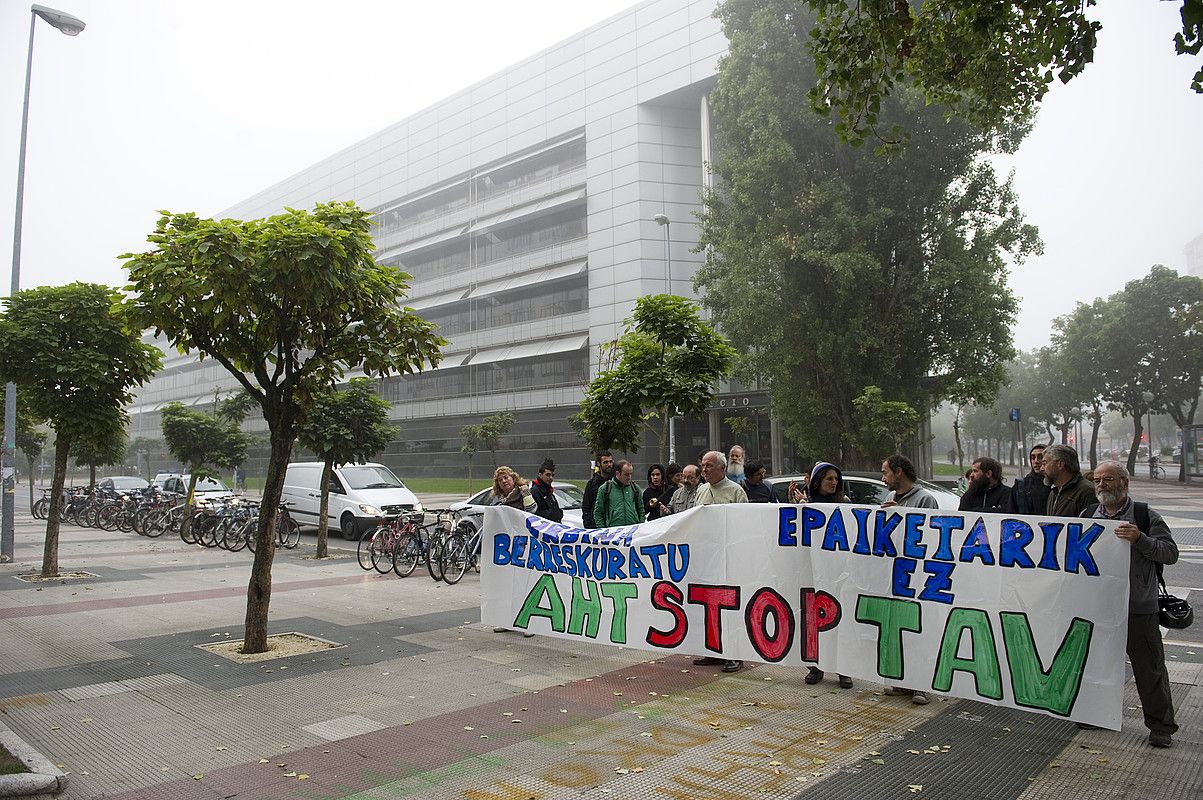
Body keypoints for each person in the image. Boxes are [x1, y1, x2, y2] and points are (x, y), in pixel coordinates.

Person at [1081, 461, 1179, 748]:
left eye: (1107, 480)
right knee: (1097, 664)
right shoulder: (1088, 515)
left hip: (1138, 606)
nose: (1101, 485)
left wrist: (1140, 539)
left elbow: (1170, 553)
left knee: (1149, 668)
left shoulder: (1144, 515)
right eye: (1097, 480)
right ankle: (1096, 714)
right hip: (1100, 606)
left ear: (1124, 482)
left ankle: (1161, 726)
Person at [878, 454, 934, 702]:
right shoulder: (890, 497)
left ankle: (921, 684)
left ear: (899, 472)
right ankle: (903, 682)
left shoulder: (925, 499)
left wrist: (901, 516)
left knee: (920, 631)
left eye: (886, 472)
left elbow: (932, 536)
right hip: (896, 572)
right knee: (899, 629)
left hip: (918, 575)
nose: (883, 478)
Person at [692, 450, 749, 674]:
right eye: (703, 465)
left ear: (722, 468)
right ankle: (713, 651)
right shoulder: (701, 490)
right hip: (707, 559)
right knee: (709, 606)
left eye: (709, 466)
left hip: (730, 558)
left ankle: (736, 654)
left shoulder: (736, 491)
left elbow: (746, 525)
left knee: (730, 608)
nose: (704, 470)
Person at [799, 461, 854, 690]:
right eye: (829, 479)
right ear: (817, 481)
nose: (834, 483)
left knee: (840, 618)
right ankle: (815, 665)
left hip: (838, 571)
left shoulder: (846, 504)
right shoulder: (806, 505)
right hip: (811, 571)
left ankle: (844, 669)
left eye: (836, 479)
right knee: (812, 618)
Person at [1043, 444, 1097, 517]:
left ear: (1060, 464)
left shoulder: (1086, 492)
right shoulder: (1054, 492)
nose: (1042, 468)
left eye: (1045, 463)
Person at [595, 460, 644, 527]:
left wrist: (640, 526)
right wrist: (602, 530)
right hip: (613, 531)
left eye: (631, 474)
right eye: (626, 474)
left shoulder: (635, 488)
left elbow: (641, 510)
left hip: (632, 531)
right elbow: (598, 512)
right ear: (618, 473)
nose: (629, 477)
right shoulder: (605, 488)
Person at [1011, 444, 1051, 516]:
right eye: (1033, 458)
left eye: (1040, 457)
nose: (1036, 461)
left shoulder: (1057, 485)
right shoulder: (1020, 486)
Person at [582, 450, 614, 529]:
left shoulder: (616, 481)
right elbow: (586, 506)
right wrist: (589, 526)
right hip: (597, 527)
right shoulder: (592, 483)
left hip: (614, 526)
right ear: (599, 464)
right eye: (605, 462)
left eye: (610, 461)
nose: (609, 464)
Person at [530, 458, 562, 523]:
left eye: (552, 475)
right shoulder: (535, 491)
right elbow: (534, 514)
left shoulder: (548, 490)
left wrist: (559, 513)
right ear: (540, 475)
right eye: (548, 475)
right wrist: (553, 513)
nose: (551, 478)